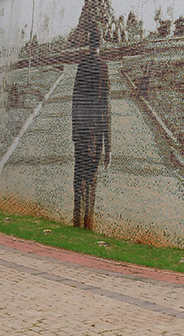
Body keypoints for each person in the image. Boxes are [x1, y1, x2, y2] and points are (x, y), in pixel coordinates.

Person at [71, 30, 111, 229]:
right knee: (91, 177)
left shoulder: (81, 66)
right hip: (96, 131)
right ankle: (89, 221)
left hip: (81, 130)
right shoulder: (103, 68)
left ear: (89, 44)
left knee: (79, 175)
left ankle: (76, 220)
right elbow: (106, 106)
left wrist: (74, 131)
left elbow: (75, 99)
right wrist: (109, 147)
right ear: (101, 43)